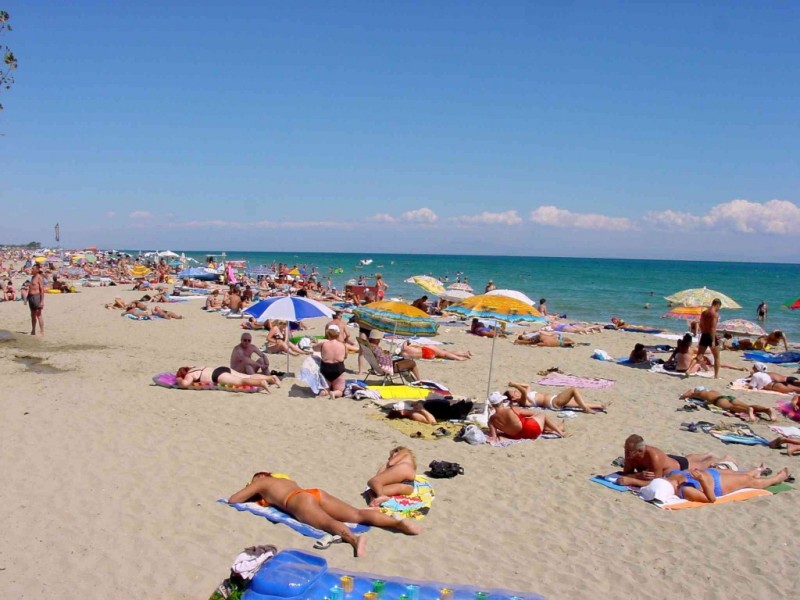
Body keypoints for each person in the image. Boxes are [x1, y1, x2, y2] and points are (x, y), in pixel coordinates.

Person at [227, 471, 422, 557]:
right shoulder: (284, 480)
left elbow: (234, 499)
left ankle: (354, 540)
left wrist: (254, 489)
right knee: (357, 514)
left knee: (328, 523)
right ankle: (398, 524)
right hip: (314, 493)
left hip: (296, 500)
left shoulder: (261, 482)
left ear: (261, 476)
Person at [639, 466, 790, 504]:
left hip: (710, 473)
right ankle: (776, 479)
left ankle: (754, 471)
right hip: (716, 484)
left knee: (739, 474)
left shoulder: (671, 475)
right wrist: (702, 480)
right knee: (748, 481)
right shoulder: (685, 490)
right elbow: (710, 499)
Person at [617, 434, 726, 486]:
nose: (626, 453)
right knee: (688, 459)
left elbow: (655, 482)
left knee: (704, 464)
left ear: (640, 451)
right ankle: (707, 454)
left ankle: (722, 458)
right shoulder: (631, 454)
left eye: (629, 451)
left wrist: (633, 479)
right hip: (668, 460)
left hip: (679, 466)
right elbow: (626, 473)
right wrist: (637, 475)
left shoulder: (654, 456)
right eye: (625, 449)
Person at [487, 392, 567, 440]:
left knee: (528, 420)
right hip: (531, 431)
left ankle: (553, 429)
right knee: (541, 415)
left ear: (492, 405)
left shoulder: (491, 420)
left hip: (516, 436)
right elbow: (533, 413)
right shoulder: (512, 409)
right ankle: (560, 432)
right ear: (501, 401)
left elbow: (493, 436)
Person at [679, 386, 777, 422]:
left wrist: (688, 393)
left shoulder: (700, 393)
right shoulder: (713, 391)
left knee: (731, 407)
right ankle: (767, 410)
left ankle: (747, 411)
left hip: (718, 400)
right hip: (728, 396)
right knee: (748, 405)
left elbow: (685, 395)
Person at [504, 381, 608, 413]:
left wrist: (516, 383)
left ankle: (600, 406)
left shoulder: (525, 395)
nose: (516, 392)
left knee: (577, 403)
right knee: (573, 390)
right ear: (513, 399)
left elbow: (527, 385)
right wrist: (514, 385)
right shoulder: (523, 401)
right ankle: (586, 409)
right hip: (553, 402)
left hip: (554, 399)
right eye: (514, 393)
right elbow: (523, 390)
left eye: (515, 391)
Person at [312, 325, 356, 398]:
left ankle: (324, 392)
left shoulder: (323, 344)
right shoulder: (343, 345)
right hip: (338, 368)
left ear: (328, 334)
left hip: (325, 368)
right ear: (338, 334)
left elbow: (314, 348)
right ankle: (334, 393)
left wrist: (318, 343)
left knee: (325, 388)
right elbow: (345, 357)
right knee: (340, 390)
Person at [175, 366, 279, 392]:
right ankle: (270, 378)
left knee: (240, 381)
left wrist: (179, 379)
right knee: (247, 376)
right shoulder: (196, 367)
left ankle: (261, 382)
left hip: (216, 376)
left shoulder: (189, 374)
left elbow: (184, 384)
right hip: (221, 369)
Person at [688, 299, 722, 378]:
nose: (719, 309)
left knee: (699, 356)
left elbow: (701, 325)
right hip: (711, 336)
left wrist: (703, 332)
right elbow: (713, 328)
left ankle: (688, 370)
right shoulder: (715, 314)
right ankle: (716, 376)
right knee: (716, 357)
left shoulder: (704, 313)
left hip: (704, 335)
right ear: (717, 305)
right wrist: (713, 341)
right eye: (719, 307)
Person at [398, 340, 471, 361]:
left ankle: (464, 353)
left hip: (426, 356)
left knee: (444, 353)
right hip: (426, 349)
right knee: (444, 353)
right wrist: (408, 342)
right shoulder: (406, 347)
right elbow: (406, 341)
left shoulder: (404, 355)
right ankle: (459, 357)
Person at [28, 263, 45, 336]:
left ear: (37, 270)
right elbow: (31, 287)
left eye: (33, 269)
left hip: (36, 297)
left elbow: (42, 289)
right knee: (32, 315)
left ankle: (42, 331)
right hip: (31, 297)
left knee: (39, 314)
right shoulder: (32, 277)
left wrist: (42, 301)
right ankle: (33, 331)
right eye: (32, 269)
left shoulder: (39, 277)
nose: (32, 270)